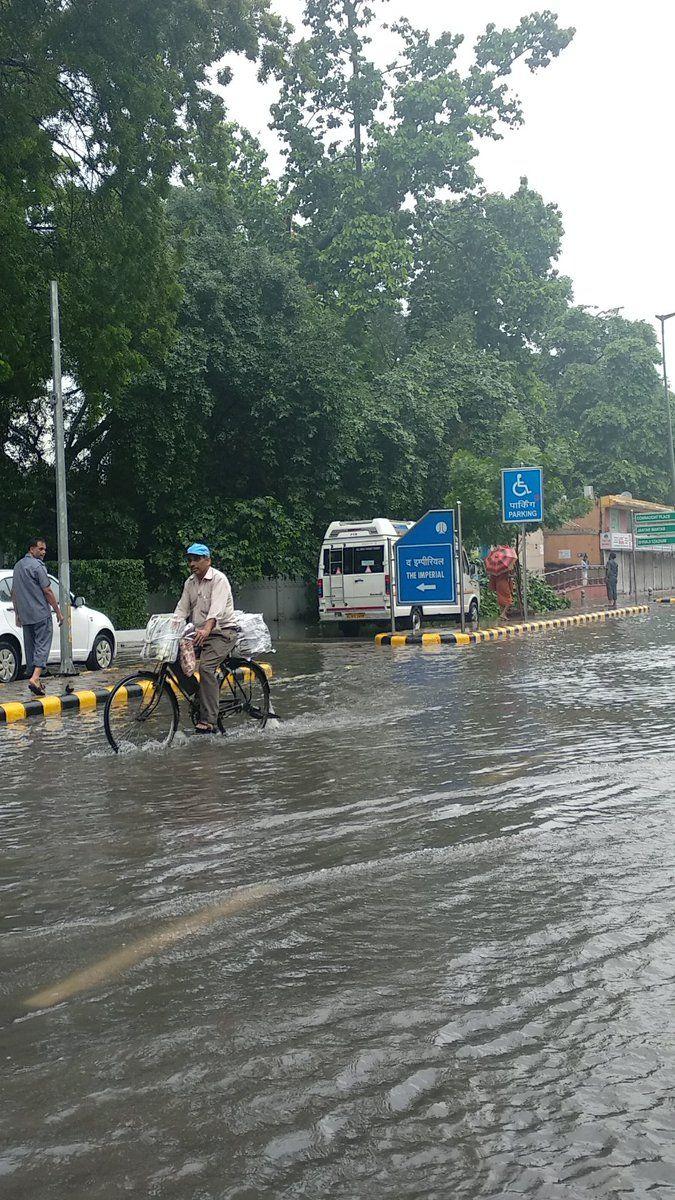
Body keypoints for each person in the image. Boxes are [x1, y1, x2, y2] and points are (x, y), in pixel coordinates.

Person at [174, 543, 239, 734]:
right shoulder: (190, 583)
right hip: (200, 633)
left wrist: (206, 629)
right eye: (190, 560)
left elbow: (216, 610)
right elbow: (181, 609)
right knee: (173, 658)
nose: (192, 563)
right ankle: (199, 694)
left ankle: (209, 719)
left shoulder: (219, 579)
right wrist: (170, 628)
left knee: (206, 667)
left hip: (223, 632)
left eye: (196, 559)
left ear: (207, 560)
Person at [11, 537, 63, 696]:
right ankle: (35, 678)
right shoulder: (38, 567)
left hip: (26, 615)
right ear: (31, 549)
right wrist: (58, 612)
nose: (43, 552)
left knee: (31, 646)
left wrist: (17, 614)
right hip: (40, 613)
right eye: (40, 549)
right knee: (42, 645)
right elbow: (47, 590)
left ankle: (35, 679)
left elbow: (14, 592)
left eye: (44, 549)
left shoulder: (18, 566)